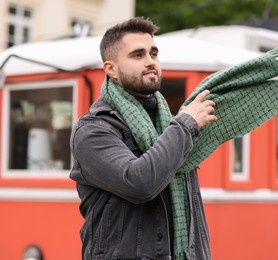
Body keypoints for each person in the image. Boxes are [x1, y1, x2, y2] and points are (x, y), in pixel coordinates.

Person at [69, 17, 217, 260]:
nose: (150, 62)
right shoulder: (93, 129)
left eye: (154, 53)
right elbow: (139, 183)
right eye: (137, 55)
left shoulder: (168, 123)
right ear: (111, 69)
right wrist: (185, 125)